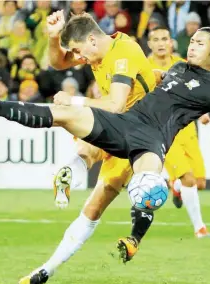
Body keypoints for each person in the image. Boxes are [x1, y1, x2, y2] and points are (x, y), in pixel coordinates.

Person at [0, 25, 210, 284]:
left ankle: (117, 242)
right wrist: (152, 74)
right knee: (68, 114)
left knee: (147, 189)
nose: (193, 45)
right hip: (125, 125)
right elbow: (158, 78)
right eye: (193, 40)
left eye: (201, 42)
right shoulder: (176, 69)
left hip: (152, 141)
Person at [45, 11, 158, 269]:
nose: (80, 58)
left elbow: (117, 104)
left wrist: (73, 99)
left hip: (137, 134)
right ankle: (45, 270)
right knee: (88, 149)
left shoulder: (123, 53)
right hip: (116, 126)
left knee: (97, 204)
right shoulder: (96, 51)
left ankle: (49, 267)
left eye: (78, 50)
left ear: (92, 40)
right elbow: (58, 63)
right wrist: (53, 37)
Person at [146, 26, 210, 237]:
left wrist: (202, 112)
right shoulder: (145, 69)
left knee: (199, 183)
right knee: (189, 179)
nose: (161, 43)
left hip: (188, 129)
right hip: (165, 132)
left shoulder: (183, 65)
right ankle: (199, 228)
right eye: (156, 39)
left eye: (164, 38)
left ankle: (175, 186)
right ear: (149, 44)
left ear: (171, 42)